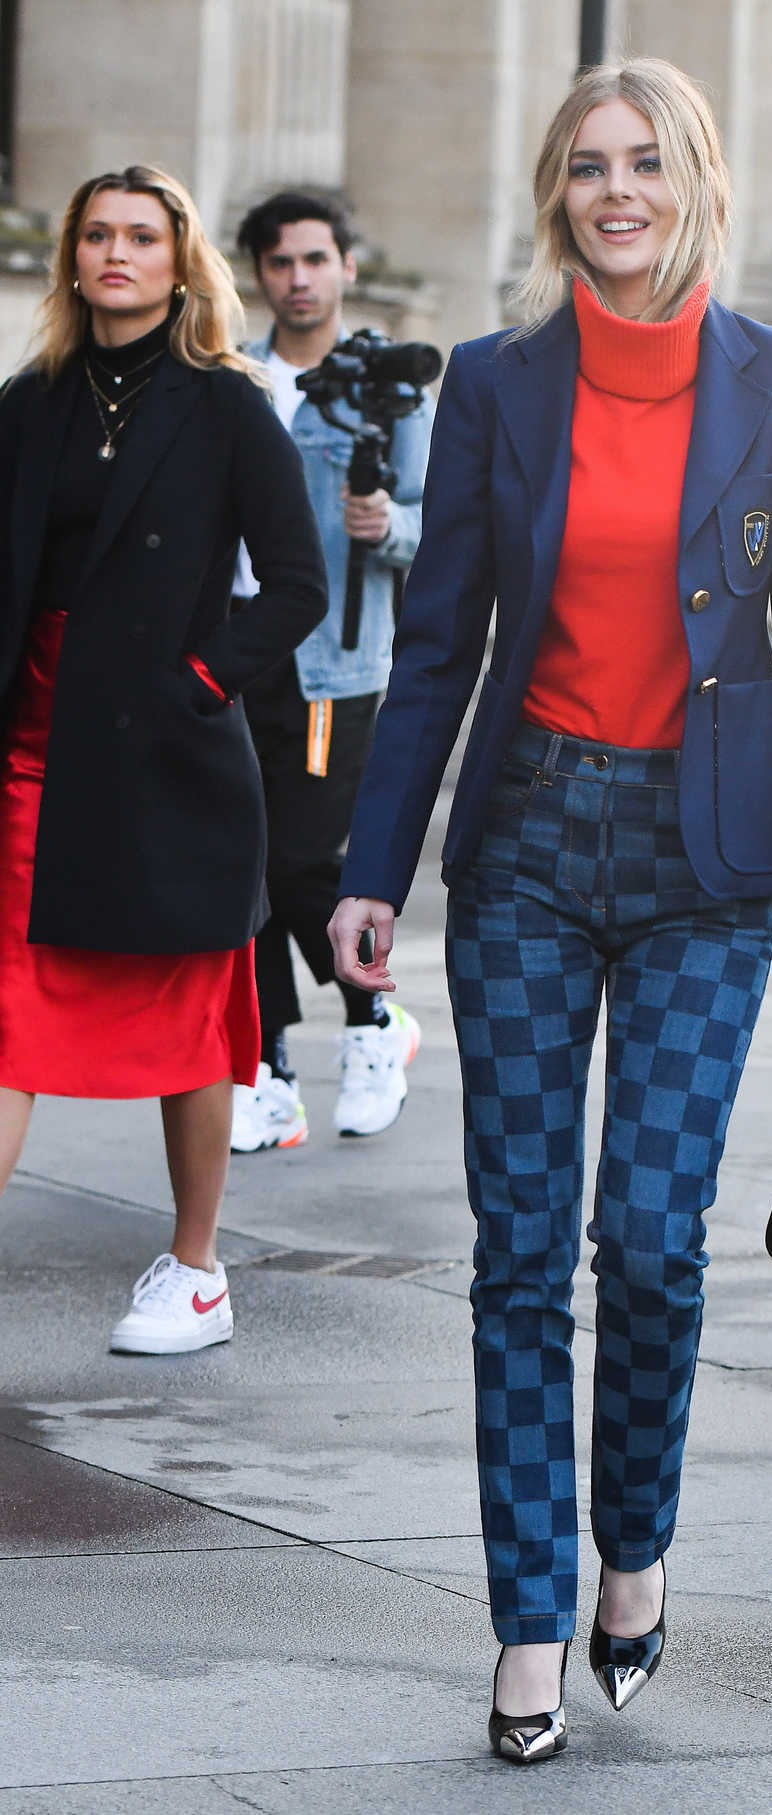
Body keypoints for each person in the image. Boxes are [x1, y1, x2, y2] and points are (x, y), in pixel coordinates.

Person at [328, 58, 772, 1762]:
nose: (619, 190)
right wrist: (377, 869)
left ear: (695, 180)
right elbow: (438, 646)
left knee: (648, 1248)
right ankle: (524, 1621)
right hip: (523, 850)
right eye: (589, 167)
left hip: (707, 866)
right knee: (523, 1262)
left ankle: (632, 1549)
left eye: (647, 162)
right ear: (556, 196)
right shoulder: (506, 388)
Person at [0, 164, 326, 1352]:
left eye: (142, 235)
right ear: (73, 256)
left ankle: (196, 1267)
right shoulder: (27, 402)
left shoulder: (228, 404)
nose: (117, 253)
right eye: (98, 234)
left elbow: (297, 586)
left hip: (169, 758)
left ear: (180, 260)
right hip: (33, 748)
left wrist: (198, 682)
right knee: (6, 1010)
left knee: (189, 1017)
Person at [228, 192, 432, 1150]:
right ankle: (267, 1067)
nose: (299, 278)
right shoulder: (234, 379)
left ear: (348, 265)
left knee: (303, 859)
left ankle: (373, 1024)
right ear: (257, 274)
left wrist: (388, 526)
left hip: (337, 661)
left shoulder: (387, 386)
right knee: (242, 864)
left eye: (316, 258)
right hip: (232, 652)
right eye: (280, 262)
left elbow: (450, 531)